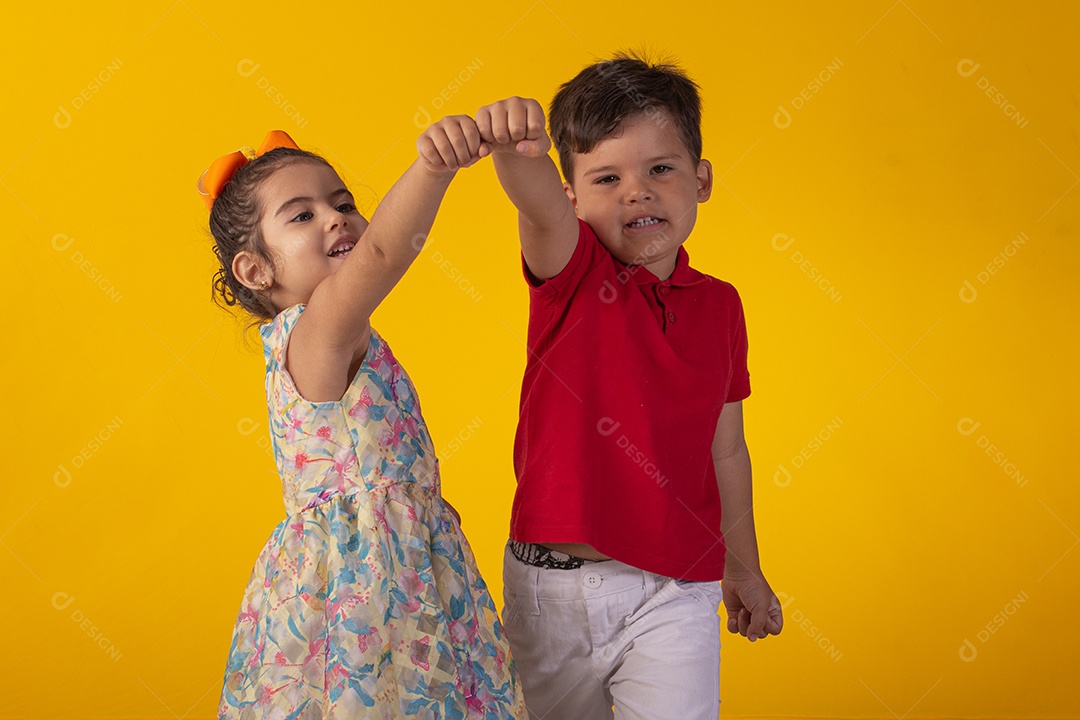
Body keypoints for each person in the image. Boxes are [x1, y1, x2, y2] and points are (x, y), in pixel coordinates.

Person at [475, 53, 783, 719]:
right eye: (607, 178)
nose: (637, 192)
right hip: (551, 593)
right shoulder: (571, 272)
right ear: (573, 200)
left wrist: (742, 565)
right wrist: (517, 150)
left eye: (660, 170)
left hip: (675, 589)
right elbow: (535, 204)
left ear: (701, 179)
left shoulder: (722, 305)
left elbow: (727, 449)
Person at [199, 122, 527, 719]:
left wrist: (425, 516)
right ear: (255, 271)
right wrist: (434, 168)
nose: (336, 218)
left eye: (344, 203)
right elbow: (380, 254)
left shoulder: (344, 338)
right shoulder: (317, 331)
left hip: (408, 571)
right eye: (302, 215)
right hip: (359, 588)